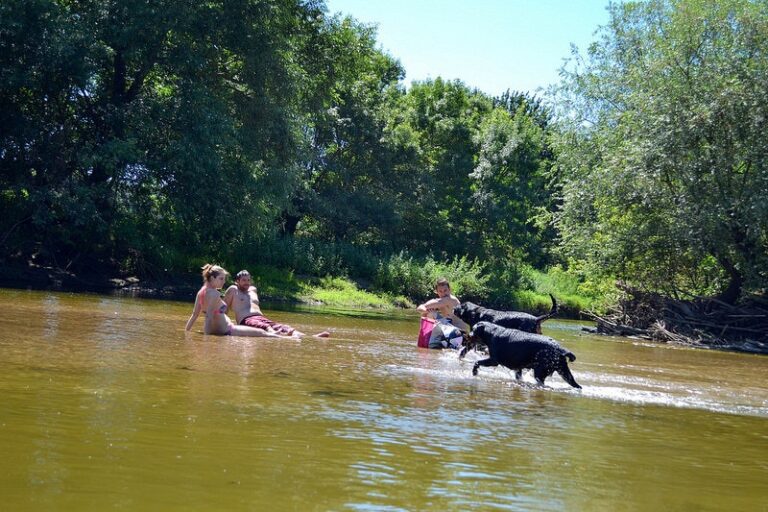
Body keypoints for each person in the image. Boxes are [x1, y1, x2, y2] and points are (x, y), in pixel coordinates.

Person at [185, 264, 295, 338]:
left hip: (222, 330)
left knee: (263, 333)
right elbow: (208, 317)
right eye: (221, 278)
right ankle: (286, 339)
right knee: (262, 333)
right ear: (212, 278)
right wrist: (206, 338)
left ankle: (279, 334)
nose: (224, 282)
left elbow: (194, 315)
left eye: (224, 279)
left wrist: (186, 333)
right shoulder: (214, 294)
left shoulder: (201, 292)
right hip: (228, 330)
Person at [224, 269, 330, 338]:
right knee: (265, 327)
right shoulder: (233, 290)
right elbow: (224, 309)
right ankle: (280, 336)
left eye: (248, 280)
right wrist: (224, 325)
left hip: (261, 318)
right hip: (246, 320)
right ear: (237, 281)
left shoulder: (253, 290)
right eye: (244, 280)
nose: (247, 282)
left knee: (284, 327)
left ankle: (310, 338)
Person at [417, 278, 470, 349]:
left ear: (450, 290)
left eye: (445, 290)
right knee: (429, 313)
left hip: (459, 333)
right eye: (440, 291)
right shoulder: (441, 301)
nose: (443, 294)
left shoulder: (449, 299)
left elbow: (420, 307)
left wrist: (427, 310)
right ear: (436, 292)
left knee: (431, 313)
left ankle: (431, 343)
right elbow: (421, 308)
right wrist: (426, 311)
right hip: (456, 333)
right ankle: (434, 344)